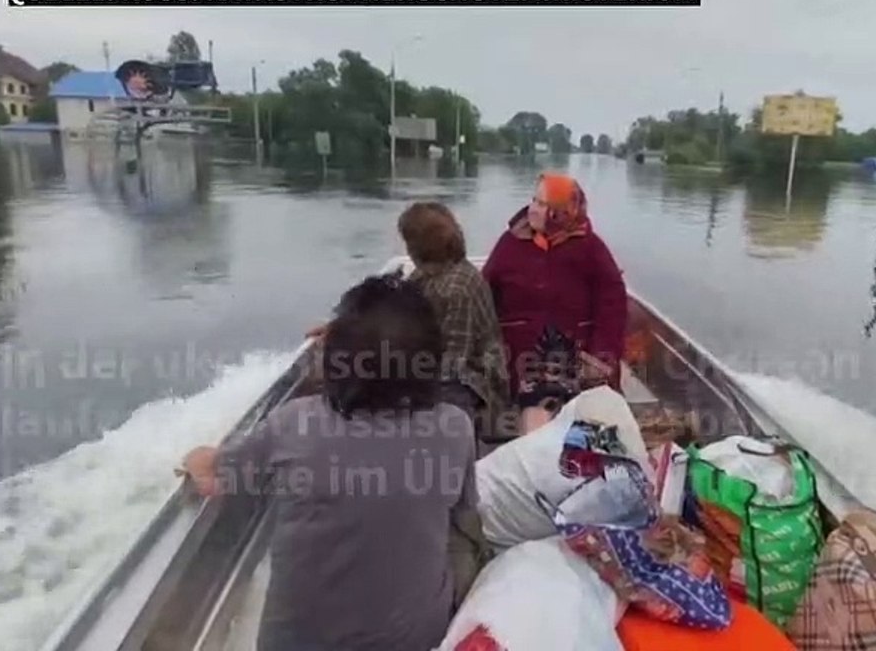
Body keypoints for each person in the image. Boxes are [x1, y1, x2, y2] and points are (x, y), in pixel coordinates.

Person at [181, 274, 484, 651]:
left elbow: (214, 478)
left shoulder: (295, 423)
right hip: (414, 641)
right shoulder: (455, 426)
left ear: (335, 359)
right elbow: (465, 514)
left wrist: (197, 458)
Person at [483, 173, 627, 403]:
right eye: (533, 200)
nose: (531, 209)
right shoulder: (510, 243)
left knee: (581, 413)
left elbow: (613, 307)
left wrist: (600, 357)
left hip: (577, 357)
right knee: (534, 409)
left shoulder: (591, 248)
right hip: (520, 359)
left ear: (561, 212)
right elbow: (484, 297)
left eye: (541, 204)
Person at [396, 202, 512, 439]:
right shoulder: (428, 274)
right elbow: (395, 307)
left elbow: (455, 362)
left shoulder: (459, 288)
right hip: (434, 365)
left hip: (476, 381)